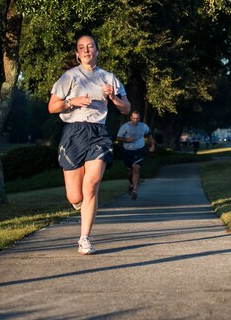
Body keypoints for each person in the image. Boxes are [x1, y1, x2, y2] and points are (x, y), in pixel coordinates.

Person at [48, 34, 131, 255]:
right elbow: (52, 107)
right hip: (73, 133)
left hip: (98, 133)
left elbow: (126, 108)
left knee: (91, 186)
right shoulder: (69, 77)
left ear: (97, 51)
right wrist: (70, 102)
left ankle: (84, 239)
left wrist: (114, 98)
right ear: (77, 54)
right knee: (75, 196)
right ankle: (83, 207)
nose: (86, 50)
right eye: (81, 47)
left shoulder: (109, 78)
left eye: (90, 46)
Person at [117, 111, 155, 200]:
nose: (135, 120)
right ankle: (131, 184)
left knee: (136, 168)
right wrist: (127, 140)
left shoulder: (143, 126)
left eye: (137, 118)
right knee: (129, 172)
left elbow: (149, 134)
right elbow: (118, 137)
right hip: (127, 151)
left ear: (139, 118)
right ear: (130, 118)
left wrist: (152, 145)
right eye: (134, 118)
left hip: (139, 149)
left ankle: (134, 190)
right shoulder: (126, 126)